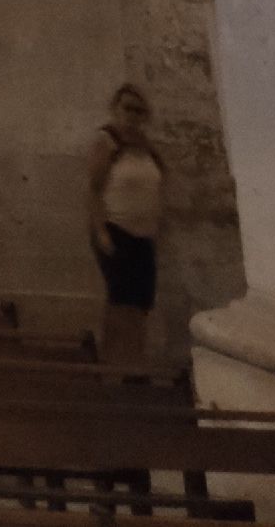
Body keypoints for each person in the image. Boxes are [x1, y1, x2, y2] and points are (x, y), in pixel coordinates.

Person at [88, 83, 164, 368]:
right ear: (116, 108)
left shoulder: (146, 146)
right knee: (121, 299)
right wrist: (100, 231)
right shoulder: (107, 141)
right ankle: (113, 363)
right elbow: (94, 190)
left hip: (145, 235)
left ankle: (134, 362)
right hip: (116, 228)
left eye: (139, 110)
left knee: (141, 301)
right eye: (128, 108)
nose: (133, 115)